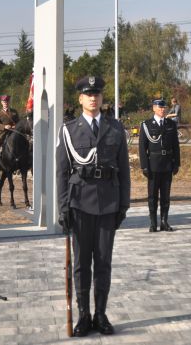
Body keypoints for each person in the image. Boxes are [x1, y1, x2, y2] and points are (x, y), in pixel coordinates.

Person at [56, 75, 130, 337]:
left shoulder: (115, 129)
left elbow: (123, 169)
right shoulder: (69, 130)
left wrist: (124, 204)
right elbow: (62, 173)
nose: (93, 98)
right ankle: (84, 315)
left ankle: (101, 314)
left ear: (102, 98)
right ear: (80, 99)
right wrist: (62, 207)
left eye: (97, 94)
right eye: (88, 94)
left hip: (108, 204)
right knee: (80, 264)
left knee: (103, 262)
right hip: (79, 204)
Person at [139, 97, 180, 232]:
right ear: (154, 108)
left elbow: (176, 146)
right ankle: (153, 222)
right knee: (152, 196)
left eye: (164, 107)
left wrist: (176, 163)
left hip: (167, 163)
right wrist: (144, 166)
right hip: (153, 164)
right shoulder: (146, 125)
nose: (162, 110)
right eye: (160, 107)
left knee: (166, 196)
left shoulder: (170, 124)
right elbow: (142, 148)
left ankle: (164, 221)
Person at [0, 94, 19, 169]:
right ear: (1, 102)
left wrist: (16, 126)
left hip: (13, 132)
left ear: (9, 102)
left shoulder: (14, 112)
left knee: (23, 142)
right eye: (4, 102)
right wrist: (4, 126)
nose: (6, 103)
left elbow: (18, 122)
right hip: (2, 132)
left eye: (7, 101)